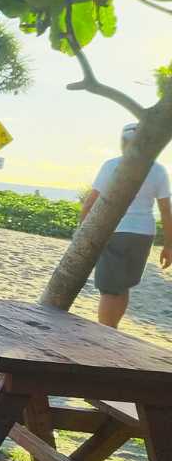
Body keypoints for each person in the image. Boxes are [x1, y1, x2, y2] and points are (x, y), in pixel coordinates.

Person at [80, 123, 172, 327]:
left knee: (109, 288)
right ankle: (112, 330)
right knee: (122, 286)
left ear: (124, 143)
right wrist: (168, 245)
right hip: (143, 235)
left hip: (116, 231)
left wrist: (82, 231)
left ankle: (106, 332)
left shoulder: (112, 165)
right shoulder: (158, 170)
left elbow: (91, 200)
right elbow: (166, 210)